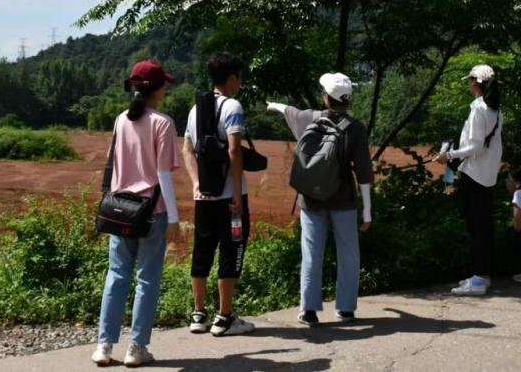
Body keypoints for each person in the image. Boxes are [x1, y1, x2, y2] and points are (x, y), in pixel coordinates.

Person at [92, 60, 181, 368]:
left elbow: (113, 163)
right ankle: (136, 348)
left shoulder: (121, 119)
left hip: (120, 211)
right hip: (151, 212)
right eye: (164, 84)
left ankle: (104, 346)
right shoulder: (163, 123)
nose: (166, 88)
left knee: (116, 276)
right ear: (156, 89)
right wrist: (173, 218)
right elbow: (163, 175)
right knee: (147, 279)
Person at [266, 72, 374, 326]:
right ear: (347, 99)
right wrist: (367, 211)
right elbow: (364, 172)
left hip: (311, 199)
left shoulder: (308, 118)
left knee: (312, 253)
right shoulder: (355, 129)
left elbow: (288, 110)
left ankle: (309, 310)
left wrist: (273, 106)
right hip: (343, 198)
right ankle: (345, 309)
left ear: (326, 97)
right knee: (348, 254)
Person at [181, 53, 255, 336]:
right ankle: (224, 318)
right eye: (239, 77)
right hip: (229, 199)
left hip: (203, 197)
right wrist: (235, 191)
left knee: (202, 251)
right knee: (231, 250)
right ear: (232, 78)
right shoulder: (232, 106)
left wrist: (195, 183)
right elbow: (234, 151)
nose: (241, 82)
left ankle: (198, 314)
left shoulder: (194, 110)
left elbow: (187, 150)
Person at [433, 64, 503, 296]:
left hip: (474, 175)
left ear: (476, 83)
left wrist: (448, 156)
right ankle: (482, 275)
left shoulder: (479, 110)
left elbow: (474, 147)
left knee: (477, 229)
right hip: (487, 175)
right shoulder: (495, 110)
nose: (468, 84)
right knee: (484, 228)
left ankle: (478, 280)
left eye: (470, 80)